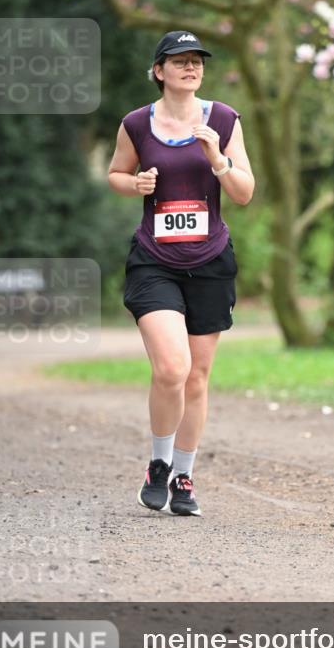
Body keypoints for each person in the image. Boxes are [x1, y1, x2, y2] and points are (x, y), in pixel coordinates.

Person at [107, 30, 255, 516]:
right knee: (172, 368)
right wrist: (136, 183)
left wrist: (218, 160)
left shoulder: (225, 119)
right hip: (155, 260)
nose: (190, 68)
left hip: (210, 260)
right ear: (159, 70)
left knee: (198, 377)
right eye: (179, 61)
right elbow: (116, 175)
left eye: (197, 61)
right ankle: (158, 464)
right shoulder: (136, 124)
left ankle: (184, 478)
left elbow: (244, 193)